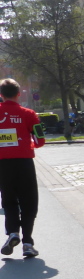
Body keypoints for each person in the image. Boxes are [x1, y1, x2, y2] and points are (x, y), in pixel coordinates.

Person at [0, 78, 46, 258]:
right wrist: (29, 144)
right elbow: (40, 139)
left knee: (9, 200)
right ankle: (27, 242)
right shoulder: (29, 114)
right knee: (29, 202)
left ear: (1, 95)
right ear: (19, 94)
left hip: (3, 164)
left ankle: (13, 233)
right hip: (24, 162)